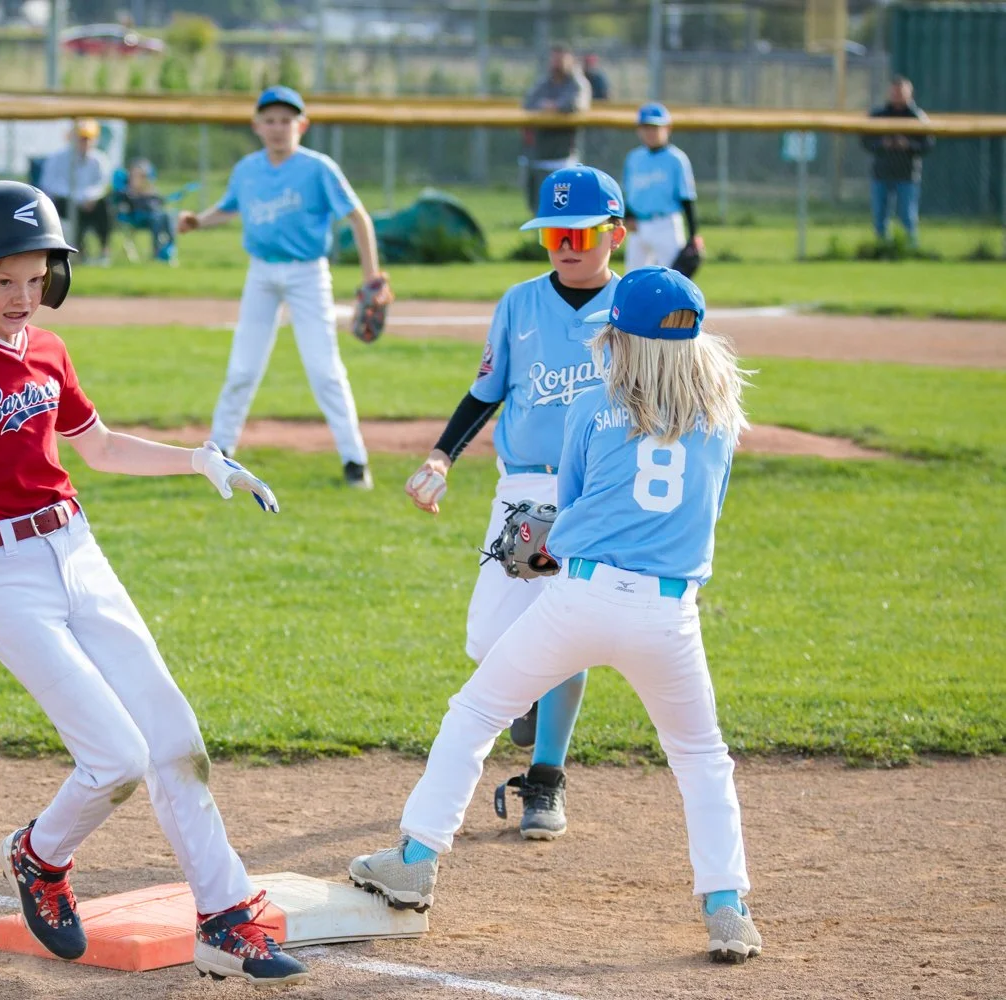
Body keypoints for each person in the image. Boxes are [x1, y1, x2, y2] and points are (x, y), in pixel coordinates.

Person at [0, 181, 310, 988]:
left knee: (176, 741)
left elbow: (99, 445)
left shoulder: (46, 349)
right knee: (116, 758)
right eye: (3, 279)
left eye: (37, 277)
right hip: (6, 577)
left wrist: (197, 459)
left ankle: (226, 921)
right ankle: (39, 857)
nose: (23, 295)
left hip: (79, 553)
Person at [351, 266, 763, 965]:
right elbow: (706, 512)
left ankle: (415, 862)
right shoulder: (721, 418)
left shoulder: (595, 403)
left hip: (582, 595)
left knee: (475, 714)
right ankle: (727, 908)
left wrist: (556, 539)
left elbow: (568, 507)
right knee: (701, 760)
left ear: (623, 339)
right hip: (670, 613)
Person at [401, 166, 624, 841]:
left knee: (569, 628)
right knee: (489, 639)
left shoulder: (633, 308)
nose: (566, 246)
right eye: (554, 234)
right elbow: (486, 392)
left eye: (580, 233)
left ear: (614, 235)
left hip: (596, 492)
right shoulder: (520, 303)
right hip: (523, 491)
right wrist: (441, 456)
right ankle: (529, 694)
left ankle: (546, 778)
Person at [177, 85, 392, 489]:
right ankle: (219, 453)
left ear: (302, 126)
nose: (278, 128)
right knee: (242, 368)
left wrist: (372, 277)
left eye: (286, 120)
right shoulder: (248, 169)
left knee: (324, 370)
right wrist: (198, 221)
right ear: (257, 126)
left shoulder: (318, 168)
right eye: (270, 120)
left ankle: (355, 459)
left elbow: (358, 217)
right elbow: (229, 208)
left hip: (307, 273)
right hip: (261, 273)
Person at [622, 102, 702, 270]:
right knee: (633, 277)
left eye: (655, 127)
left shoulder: (676, 159)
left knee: (672, 277)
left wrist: (693, 234)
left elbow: (687, 197)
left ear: (668, 128)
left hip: (666, 224)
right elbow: (629, 194)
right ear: (639, 129)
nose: (650, 132)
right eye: (646, 127)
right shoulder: (633, 158)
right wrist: (628, 216)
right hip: (638, 226)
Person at [862, 76, 933, 248]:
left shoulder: (917, 116)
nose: (897, 95)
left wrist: (908, 144)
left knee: (907, 217)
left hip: (907, 174)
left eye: (901, 92)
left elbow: (928, 144)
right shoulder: (879, 114)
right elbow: (865, 140)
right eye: (894, 92)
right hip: (882, 172)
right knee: (880, 217)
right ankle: (881, 249)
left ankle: (910, 249)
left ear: (910, 94)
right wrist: (882, 143)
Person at [521, 46, 591, 212]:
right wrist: (546, 106)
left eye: (561, 59)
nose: (556, 64)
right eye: (554, 59)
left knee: (562, 209)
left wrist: (554, 106)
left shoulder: (577, 84)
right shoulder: (544, 83)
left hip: (562, 157)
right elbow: (528, 103)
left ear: (570, 61)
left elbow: (576, 104)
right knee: (537, 207)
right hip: (538, 155)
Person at [37, 118, 114, 264]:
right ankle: (79, 251)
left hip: (90, 203)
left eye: (88, 139)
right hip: (64, 202)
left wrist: (89, 197)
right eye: (81, 139)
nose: (84, 143)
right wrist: (76, 198)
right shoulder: (57, 158)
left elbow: (103, 184)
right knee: (66, 207)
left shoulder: (99, 160)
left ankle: (104, 249)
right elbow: (49, 184)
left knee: (104, 206)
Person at [115, 158, 178, 263]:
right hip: (137, 217)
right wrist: (136, 191)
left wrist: (152, 193)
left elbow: (159, 202)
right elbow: (122, 201)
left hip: (154, 214)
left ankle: (170, 249)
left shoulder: (149, 188)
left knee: (169, 215)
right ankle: (157, 252)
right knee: (157, 218)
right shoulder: (127, 190)